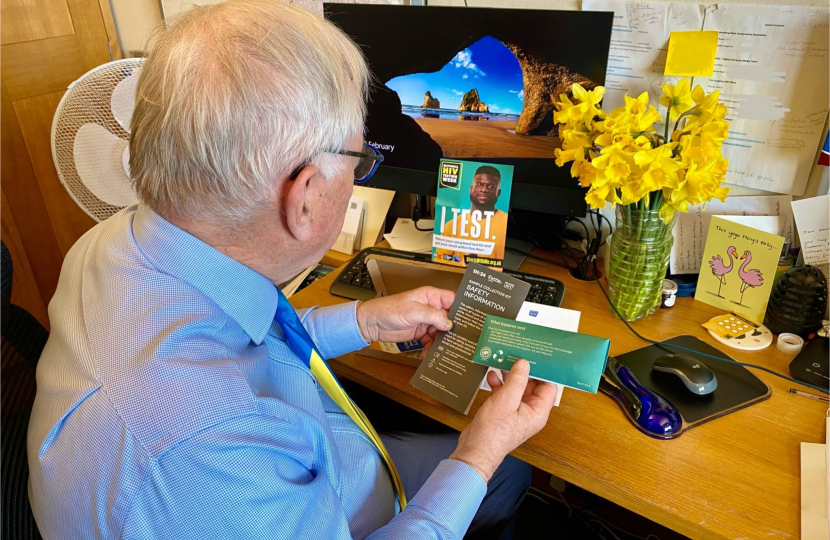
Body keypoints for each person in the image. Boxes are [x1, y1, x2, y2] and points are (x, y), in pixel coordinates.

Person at [27, 1, 558, 539]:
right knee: (509, 472)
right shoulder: (204, 447)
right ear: (304, 199)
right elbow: (224, 401)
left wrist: (364, 321)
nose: (360, 174)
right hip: (325, 507)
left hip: (318, 457)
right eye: (361, 161)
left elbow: (242, 350)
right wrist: (480, 452)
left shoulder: (115, 240)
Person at [434, 166, 509, 267]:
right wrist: (463, 263)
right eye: (479, 184)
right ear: (471, 189)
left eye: (491, 186)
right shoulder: (451, 225)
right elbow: (440, 260)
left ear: (498, 193)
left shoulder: (506, 224)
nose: (484, 189)